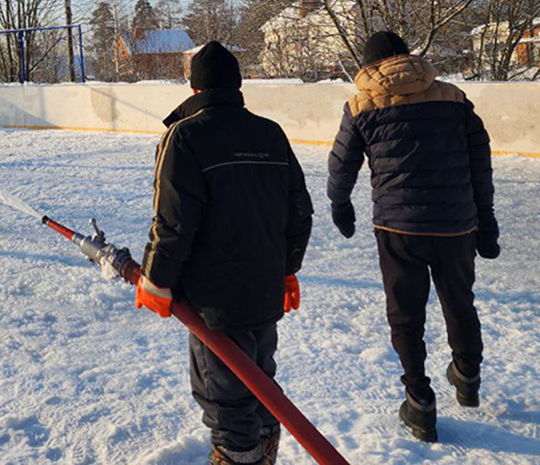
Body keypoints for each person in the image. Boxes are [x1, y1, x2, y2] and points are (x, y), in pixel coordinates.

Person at [136, 41, 313, 465]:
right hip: (264, 287)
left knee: (223, 390)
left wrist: (156, 279)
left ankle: (241, 455)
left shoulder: (186, 135)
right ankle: (264, 446)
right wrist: (287, 270)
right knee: (259, 378)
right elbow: (300, 210)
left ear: (195, 89)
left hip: (213, 298)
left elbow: (174, 222)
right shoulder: (269, 133)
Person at [327, 31, 500, 443]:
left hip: (397, 226)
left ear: (369, 66)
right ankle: (467, 374)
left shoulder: (361, 104)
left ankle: (419, 400)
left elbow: (341, 162)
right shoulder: (453, 97)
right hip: (457, 222)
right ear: (407, 56)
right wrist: (486, 217)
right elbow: (480, 159)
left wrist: (340, 204)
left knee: (405, 314)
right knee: (459, 300)